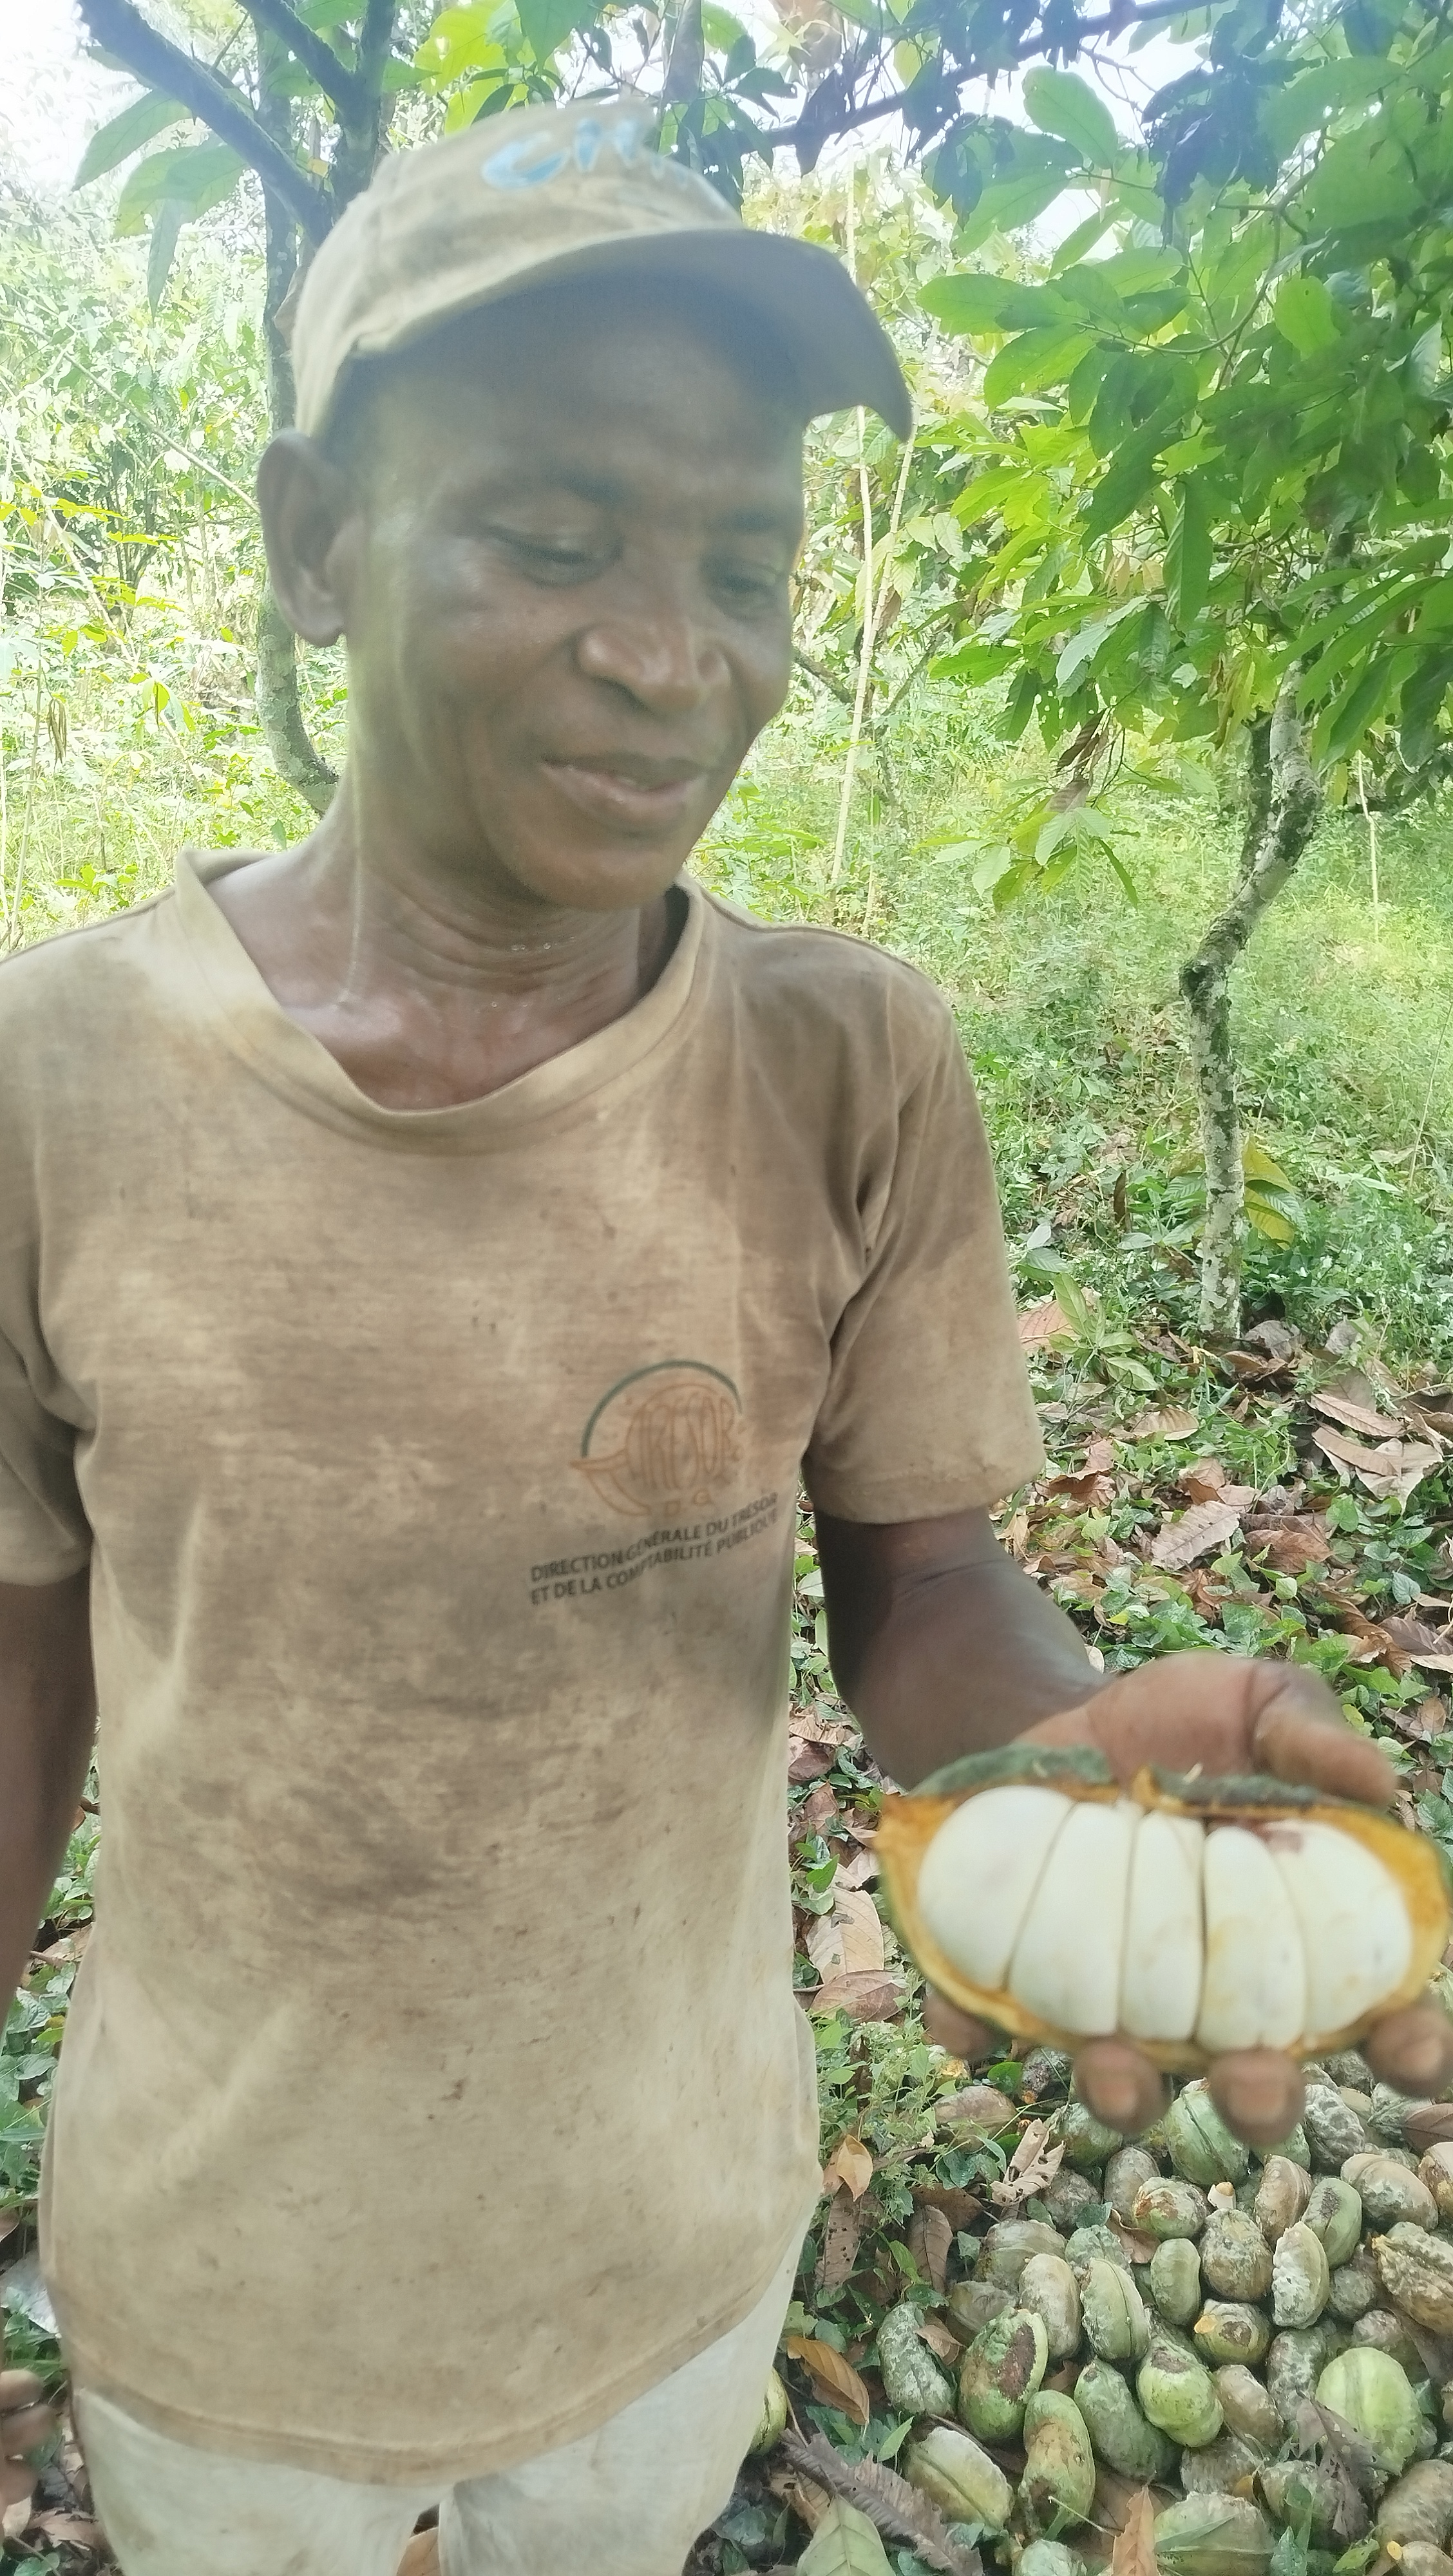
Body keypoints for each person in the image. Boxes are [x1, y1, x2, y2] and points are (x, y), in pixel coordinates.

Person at [1, 93, 1448, 2576]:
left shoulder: (846, 1068)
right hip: (224, 2274)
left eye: (743, 561)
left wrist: (1050, 1762)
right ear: (316, 540)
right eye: (556, 540)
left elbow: (922, 1585)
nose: (673, 660)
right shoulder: (52, 1089)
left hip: (661, 2240)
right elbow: (16, 1671)